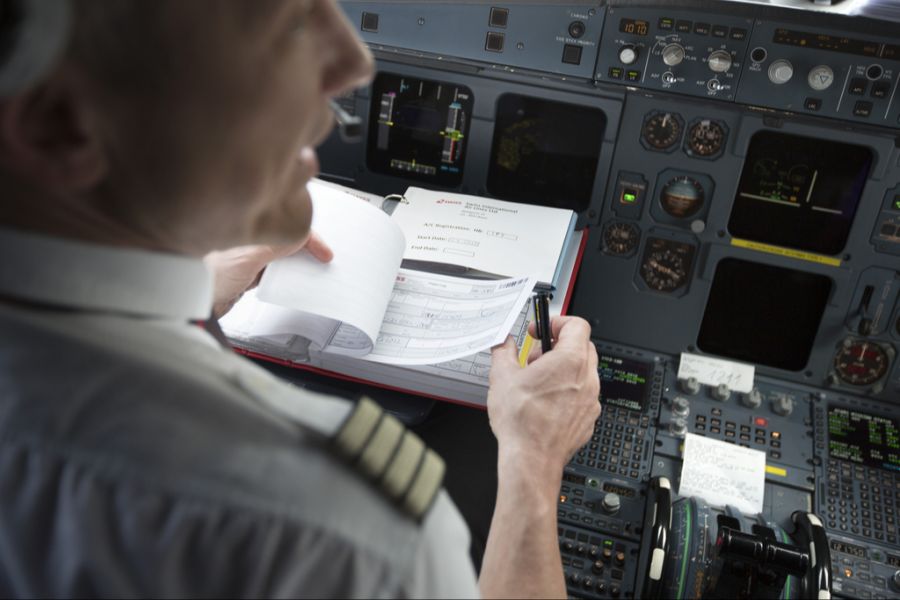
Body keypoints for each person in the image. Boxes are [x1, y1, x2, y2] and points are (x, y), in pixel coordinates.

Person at [0, 0, 600, 597]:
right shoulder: (347, 534)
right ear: (63, 128)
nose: (353, 62)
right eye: (283, 23)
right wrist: (532, 463)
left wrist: (193, 290)